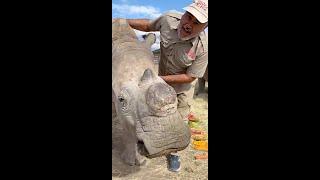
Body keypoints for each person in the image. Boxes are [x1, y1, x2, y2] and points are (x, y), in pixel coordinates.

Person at [127, 0, 208, 172]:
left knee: (181, 116)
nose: (188, 24)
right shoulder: (168, 19)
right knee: (150, 110)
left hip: (181, 87)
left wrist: (159, 79)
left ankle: (174, 153)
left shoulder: (204, 48)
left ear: (205, 26)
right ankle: (147, 141)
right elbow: (148, 26)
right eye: (188, 16)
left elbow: (189, 76)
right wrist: (122, 22)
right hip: (159, 78)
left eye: (197, 23)